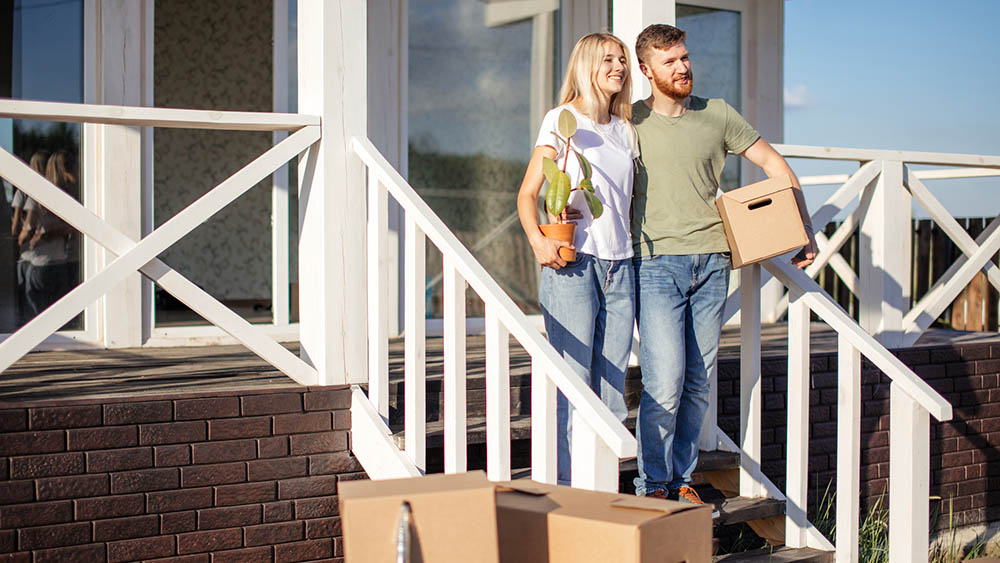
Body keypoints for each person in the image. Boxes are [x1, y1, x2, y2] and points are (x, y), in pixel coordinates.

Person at [629, 24, 817, 507]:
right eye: (670, 62)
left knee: (696, 381)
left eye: (685, 57)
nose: (683, 67)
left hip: (714, 262)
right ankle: (653, 485)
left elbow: (777, 167)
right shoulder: (628, 122)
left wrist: (803, 227)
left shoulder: (718, 115)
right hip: (655, 265)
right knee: (664, 379)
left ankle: (682, 479)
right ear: (647, 71)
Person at [516, 32, 638, 485]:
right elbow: (529, 193)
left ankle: (602, 490)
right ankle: (569, 492)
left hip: (622, 268)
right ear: (586, 65)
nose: (619, 67)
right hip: (575, 264)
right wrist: (538, 239)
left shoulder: (626, 129)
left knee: (611, 389)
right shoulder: (562, 119)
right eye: (608, 59)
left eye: (623, 60)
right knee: (572, 382)